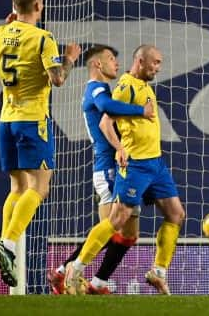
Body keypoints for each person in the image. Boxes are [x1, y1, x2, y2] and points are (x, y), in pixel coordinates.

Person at [63, 44, 185, 295]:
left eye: (160, 63)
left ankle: (158, 271)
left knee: (176, 214)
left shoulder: (145, 86)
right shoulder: (125, 86)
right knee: (116, 220)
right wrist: (119, 148)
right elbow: (106, 121)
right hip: (136, 166)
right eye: (155, 63)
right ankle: (75, 267)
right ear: (140, 61)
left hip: (156, 164)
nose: (157, 68)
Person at [47, 44, 155, 294]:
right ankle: (65, 273)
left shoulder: (103, 88)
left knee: (129, 233)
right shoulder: (96, 89)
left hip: (121, 167)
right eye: (110, 59)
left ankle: (95, 282)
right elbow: (107, 107)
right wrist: (141, 110)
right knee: (110, 228)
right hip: (107, 167)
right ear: (97, 64)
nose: (116, 63)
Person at [0, 0, 81, 287]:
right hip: (32, 120)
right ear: (38, 6)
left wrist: (11, 29)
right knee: (40, 187)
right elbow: (57, 79)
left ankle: (5, 244)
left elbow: (10, 41)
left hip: (6, 117)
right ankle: (6, 244)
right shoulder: (44, 39)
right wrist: (70, 57)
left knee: (17, 187)